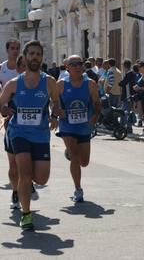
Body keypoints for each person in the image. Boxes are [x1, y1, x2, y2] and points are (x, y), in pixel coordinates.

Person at [0, 40, 61, 230]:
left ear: (41, 58)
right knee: (24, 172)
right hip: (19, 132)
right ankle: (26, 215)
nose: (35, 57)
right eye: (31, 54)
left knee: (41, 179)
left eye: (38, 54)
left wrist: (55, 115)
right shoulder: (15, 83)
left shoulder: (49, 82)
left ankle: (27, 184)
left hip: (40, 134)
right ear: (24, 57)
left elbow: (56, 102)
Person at [56, 55, 101, 202]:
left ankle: (71, 151)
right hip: (67, 124)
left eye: (80, 64)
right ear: (67, 67)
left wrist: (96, 114)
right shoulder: (61, 84)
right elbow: (53, 102)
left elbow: (97, 102)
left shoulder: (90, 84)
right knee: (75, 157)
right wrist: (55, 113)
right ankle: (78, 189)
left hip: (84, 125)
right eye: (74, 64)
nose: (77, 67)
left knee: (84, 162)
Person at [119, 58, 136, 133]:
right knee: (123, 111)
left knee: (126, 112)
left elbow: (122, 83)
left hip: (127, 96)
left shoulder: (129, 74)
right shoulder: (128, 74)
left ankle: (128, 127)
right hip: (126, 95)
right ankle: (122, 125)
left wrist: (119, 83)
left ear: (125, 66)